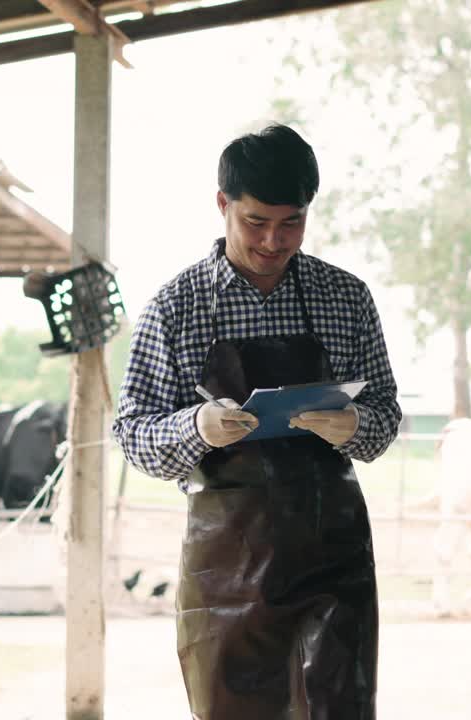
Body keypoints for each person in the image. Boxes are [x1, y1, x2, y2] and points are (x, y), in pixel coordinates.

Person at [112, 123, 401, 719]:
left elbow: (386, 419)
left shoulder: (346, 298)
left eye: (290, 222)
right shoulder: (176, 306)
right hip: (227, 572)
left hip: (334, 560)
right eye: (255, 222)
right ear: (223, 205)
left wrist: (357, 429)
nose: (274, 240)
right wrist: (195, 427)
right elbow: (133, 435)